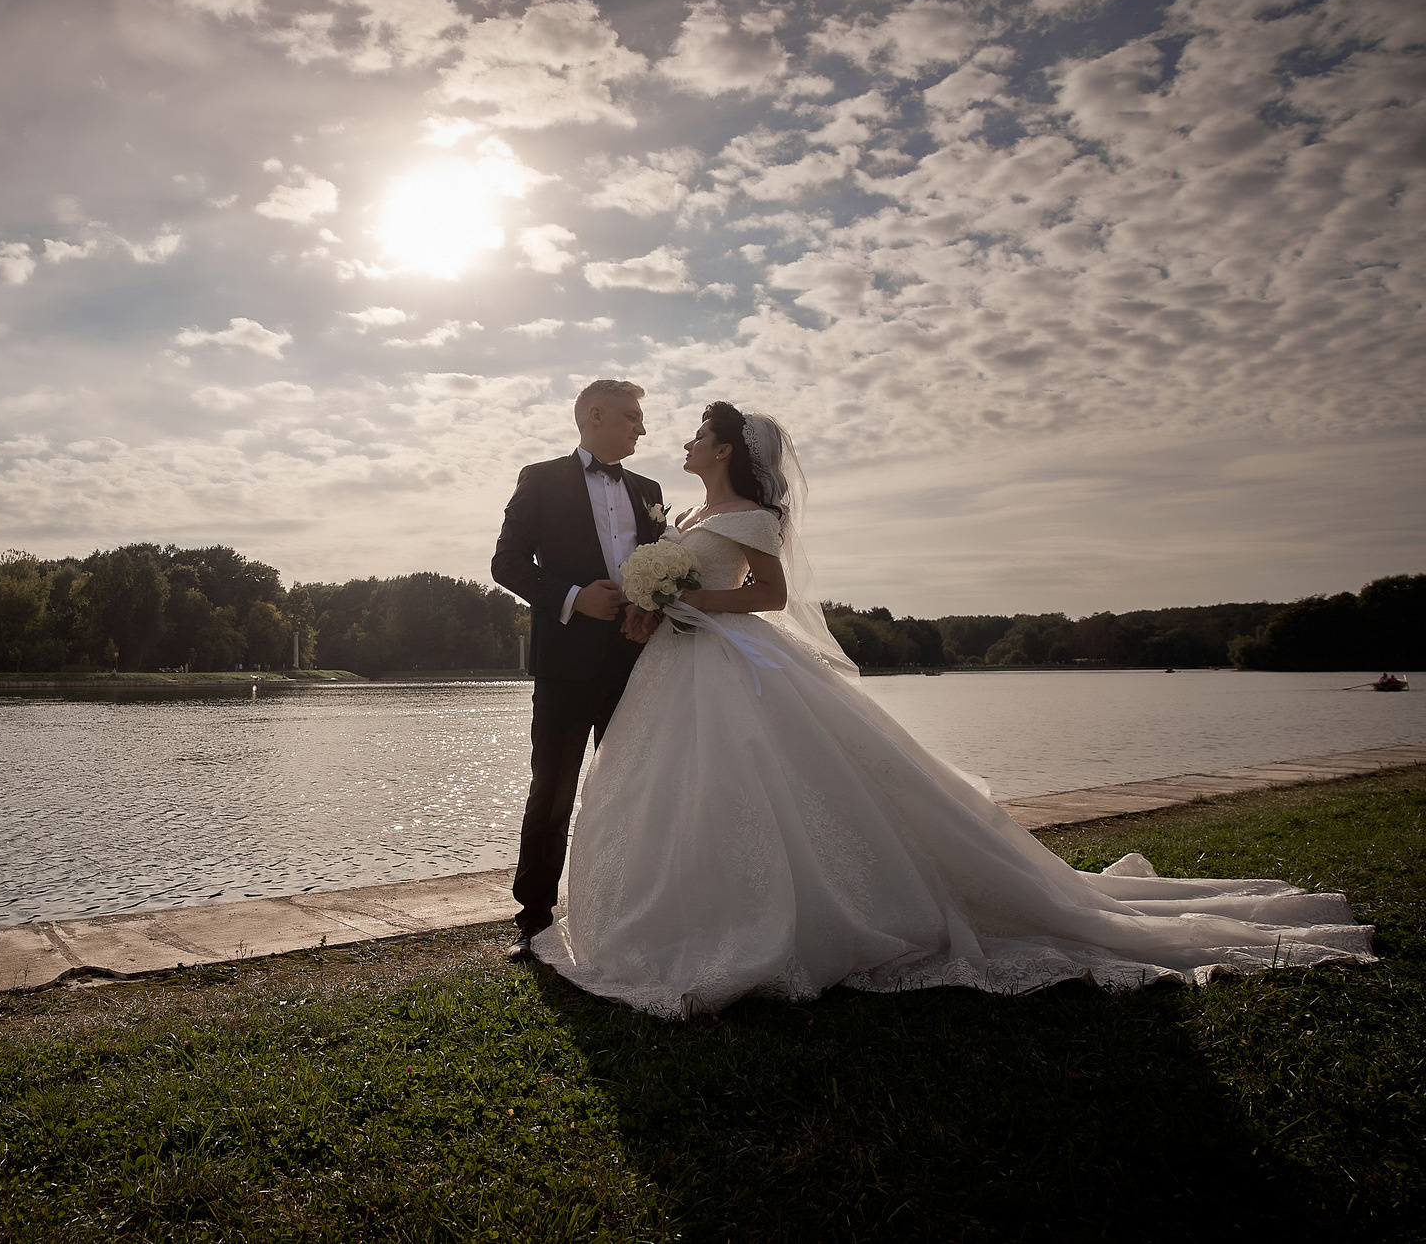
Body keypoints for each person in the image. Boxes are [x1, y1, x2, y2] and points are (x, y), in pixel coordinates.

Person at [533, 402, 1375, 1017]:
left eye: (696, 433)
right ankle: (677, 913)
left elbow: (771, 595)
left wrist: (688, 605)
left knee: (755, 780)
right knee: (672, 791)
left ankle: (792, 920)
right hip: (677, 664)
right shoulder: (683, 511)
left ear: (723, 447)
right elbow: (683, 579)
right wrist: (659, 607)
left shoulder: (751, 514)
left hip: (732, 660)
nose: (681, 438)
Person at [492, 379, 666, 961]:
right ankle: (534, 919)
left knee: (636, 788)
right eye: (632, 417)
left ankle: (631, 907)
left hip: (638, 663)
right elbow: (506, 563)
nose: (641, 428)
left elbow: (664, 568)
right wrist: (571, 597)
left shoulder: (649, 490)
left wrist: (651, 605)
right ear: (594, 415)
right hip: (566, 665)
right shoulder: (540, 480)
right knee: (553, 789)